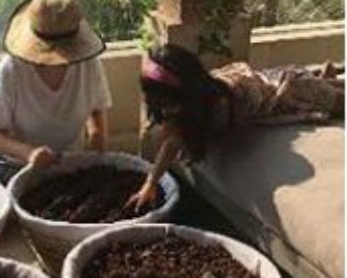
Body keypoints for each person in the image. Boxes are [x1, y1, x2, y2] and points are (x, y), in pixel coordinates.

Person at [126, 44, 344, 209]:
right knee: (326, 86)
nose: (163, 109)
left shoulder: (217, 107)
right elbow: (173, 140)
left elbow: (180, 140)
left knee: (336, 100)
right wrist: (150, 183)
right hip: (264, 81)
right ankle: (328, 77)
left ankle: (325, 80)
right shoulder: (189, 101)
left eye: (166, 101)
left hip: (289, 92)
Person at [0, 0, 112, 184]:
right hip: (9, 161)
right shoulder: (11, 70)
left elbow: (97, 109)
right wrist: (30, 154)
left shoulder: (89, 65)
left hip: (63, 161)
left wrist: (96, 136)